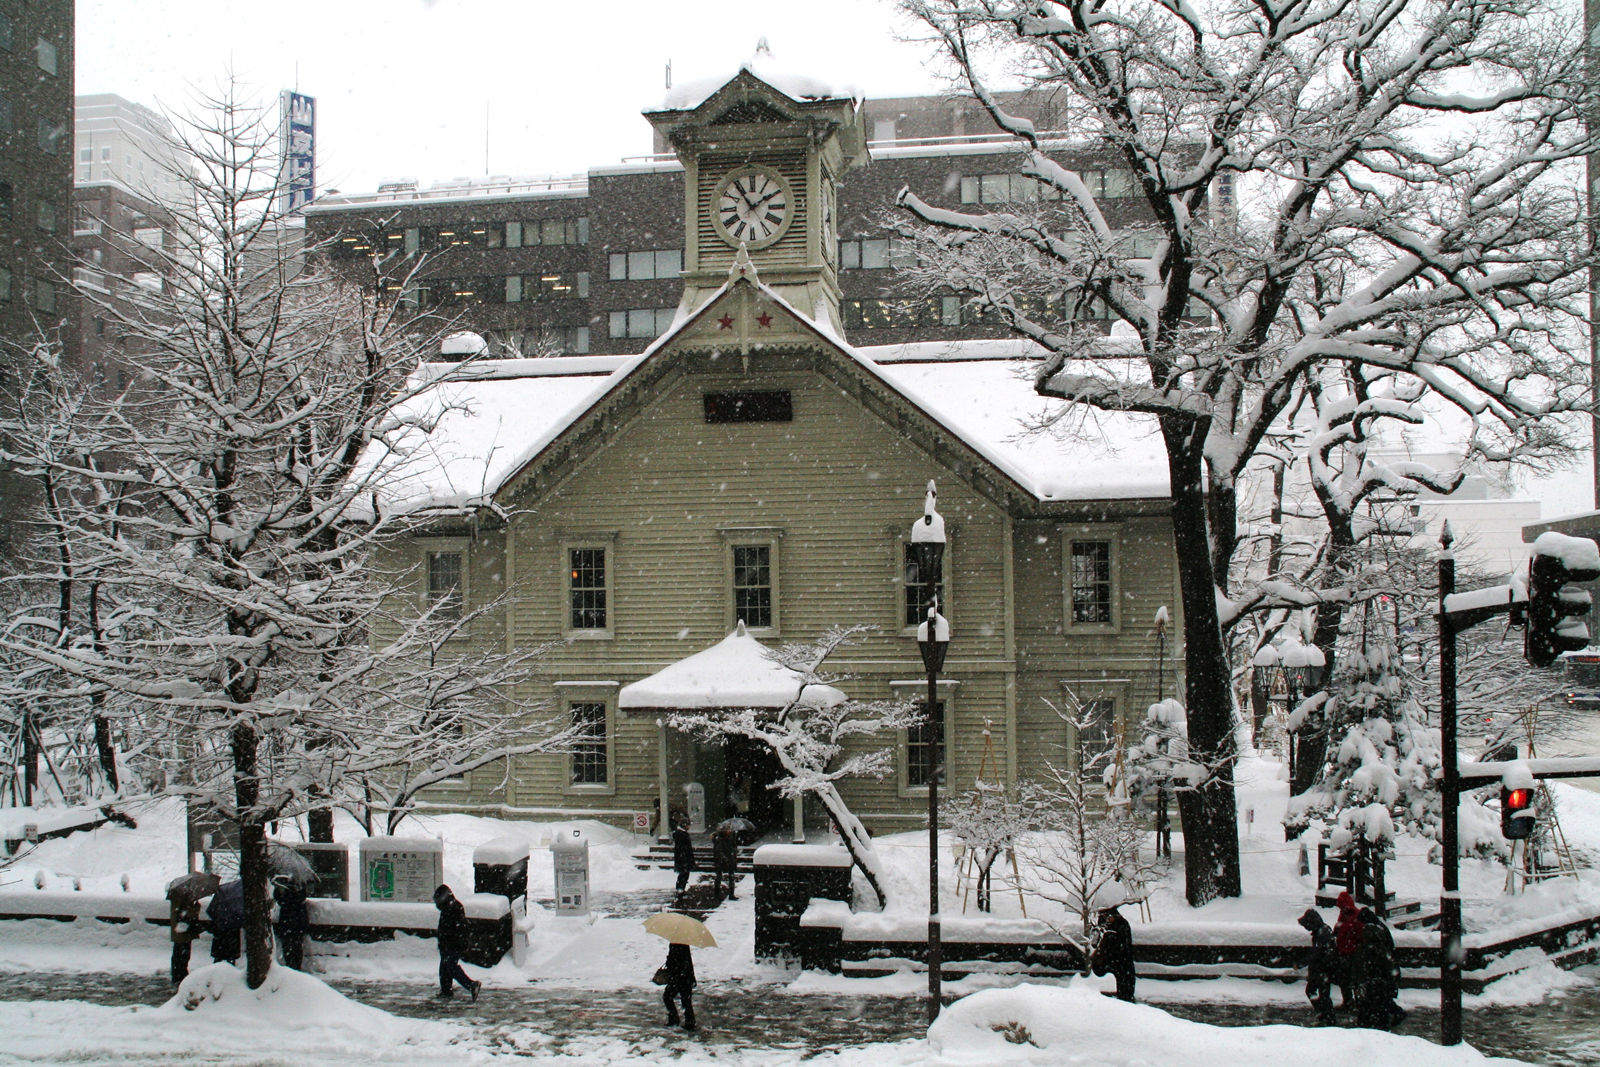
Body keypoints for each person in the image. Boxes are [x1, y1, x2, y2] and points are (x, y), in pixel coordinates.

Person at [1353, 906, 1405, 1031]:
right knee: (1382, 1003)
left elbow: (1360, 968)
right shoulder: (1379, 931)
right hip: (1382, 980)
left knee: (1377, 1004)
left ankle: (1378, 1023)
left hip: (1376, 981)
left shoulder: (1369, 945)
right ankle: (1388, 1019)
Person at [432, 884, 481, 1001]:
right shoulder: (449, 907)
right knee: (445, 968)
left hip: (453, 945)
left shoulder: (453, 908)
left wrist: (449, 941)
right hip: (449, 944)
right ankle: (446, 991)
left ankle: (471, 985)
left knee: (450, 967)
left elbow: (455, 929)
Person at [1090, 900, 1136, 1002]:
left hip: (1121, 963)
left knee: (1124, 987)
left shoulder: (1122, 925)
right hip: (1107, 963)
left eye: (1107, 916)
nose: (1105, 918)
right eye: (1103, 916)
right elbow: (1096, 942)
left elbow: (1123, 946)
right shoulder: (1102, 925)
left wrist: (1110, 936)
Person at [1298, 908, 1338, 1024]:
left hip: (1321, 969)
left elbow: (1316, 953)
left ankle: (1325, 1017)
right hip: (1325, 969)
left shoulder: (1321, 934)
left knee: (1313, 991)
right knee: (1323, 994)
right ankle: (1327, 1018)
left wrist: (1300, 963)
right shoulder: (1324, 930)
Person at [1332, 890, 1364, 1010]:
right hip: (1344, 952)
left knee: (1353, 980)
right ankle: (1349, 1002)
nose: (1340, 909)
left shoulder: (1356, 916)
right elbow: (1339, 928)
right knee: (1344, 979)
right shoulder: (1344, 915)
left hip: (1352, 953)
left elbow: (1360, 935)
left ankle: (1356, 1002)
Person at [272, 875, 310, 971]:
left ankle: (290, 967)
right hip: (298, 927)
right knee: (297, 948)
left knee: (288, 948)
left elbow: (278, 898)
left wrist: (277, 888)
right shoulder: (300, 897)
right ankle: (297, 967)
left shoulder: (285, 898)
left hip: (286, 926)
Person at [167, 886, 203, 986]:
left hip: (179, 931)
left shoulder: (176, 900)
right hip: (184, 932)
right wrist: (196, 906)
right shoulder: (184, 901)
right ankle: (181, 975)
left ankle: (177, 975)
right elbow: (188, 914)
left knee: (178, 954)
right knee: (183, 955)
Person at [206, 879, 245, 965]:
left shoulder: (218, 905)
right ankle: (230, 968)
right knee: (231, 957)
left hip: (220, 934)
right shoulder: (236, 913)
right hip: (232, 934)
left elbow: (210, 911)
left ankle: (217, 968)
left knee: (218, 957)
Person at [662, 941, 697, 1031]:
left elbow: (673, 961)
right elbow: (688, 961)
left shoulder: (674, 944)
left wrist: (669, 960)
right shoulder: (685, 944)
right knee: (686, 1000)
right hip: (686, 976)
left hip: (678, 976)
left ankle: (674, 1018)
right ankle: (690, 1022)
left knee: (667, 997)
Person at [711, 824, 739, 902]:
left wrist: (734, 852)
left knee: (731, 876)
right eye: (728, 830)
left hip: (730, 859)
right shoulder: (719, 839)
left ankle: (731, 894)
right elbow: (718, 851)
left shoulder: (731, 838)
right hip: (721, 861)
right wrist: (724, 858)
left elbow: (734, 847)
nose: (729, 831)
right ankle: (717, 894)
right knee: (719, 876)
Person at [672, 820, 696, 896]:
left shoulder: (678, 834)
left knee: (683, 873)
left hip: (681, 856)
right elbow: (686, 847)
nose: (689, 827)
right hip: (684, 856)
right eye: (688, 825)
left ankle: (680, 888)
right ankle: (680, 888)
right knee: (684, 873)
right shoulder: (683, 835)